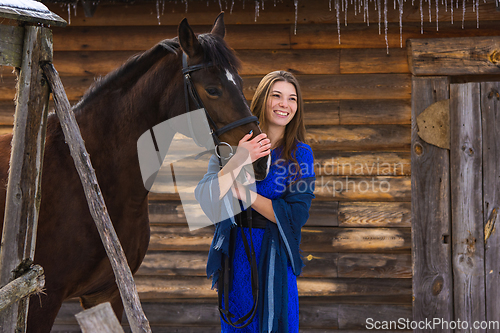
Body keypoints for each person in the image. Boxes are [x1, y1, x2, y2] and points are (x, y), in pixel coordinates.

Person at [195, 71, 315, 333]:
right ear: (263, 98)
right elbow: (206, 200)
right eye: (277, 95)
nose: (285, 104)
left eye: (292, 98)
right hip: (236, 255)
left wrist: (245, 195)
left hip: (274, 259)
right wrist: (240, 158)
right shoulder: (230, 145)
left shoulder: (301, 155)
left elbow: (296, 216)